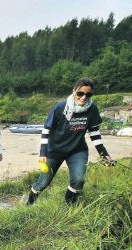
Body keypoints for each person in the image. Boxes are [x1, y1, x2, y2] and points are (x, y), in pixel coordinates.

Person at [26, 77, 113, 205]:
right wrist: (43, 153)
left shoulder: (92, 108)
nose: (84, 97)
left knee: (78, 180)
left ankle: (69, 208)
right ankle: (29, 205)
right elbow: (46, 130)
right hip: (54, 151)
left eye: (88, 94)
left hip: (77, 150)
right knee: (43, 182)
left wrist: (104, 154)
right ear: (74, 91)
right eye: (80, 93)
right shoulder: (60, 107)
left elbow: (94, 133)